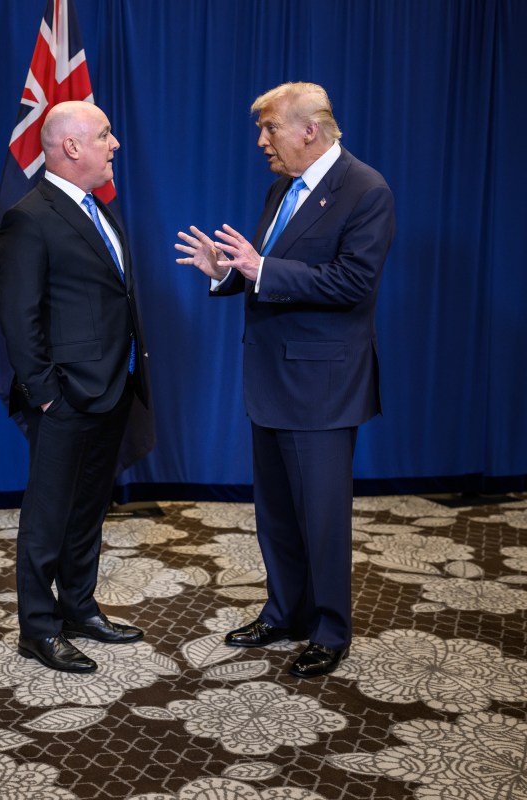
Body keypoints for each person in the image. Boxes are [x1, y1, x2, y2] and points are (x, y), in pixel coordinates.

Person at [175, 82, 395, 678]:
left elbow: (352, 283)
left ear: (309, 130)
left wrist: (262, 267)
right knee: (276, 511)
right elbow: (268, 274)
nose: (261, 140)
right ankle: (285, 612)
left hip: (322, 386)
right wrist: (227, 273)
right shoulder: (282, 189)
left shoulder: (364, 189)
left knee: (320, 515)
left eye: (270, 128)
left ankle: (329, 629)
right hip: (272, 378)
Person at [0, 100, 150, 673]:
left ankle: (79, 607)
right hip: (63, 395)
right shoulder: (29, 217)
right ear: (70, 147)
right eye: (105, 135)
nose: (115, 144)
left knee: (88, 509)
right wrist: (44, 392)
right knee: (48, 516)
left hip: (112, 388)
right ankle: (37, 628)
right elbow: (18, 316)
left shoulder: (99, 212)